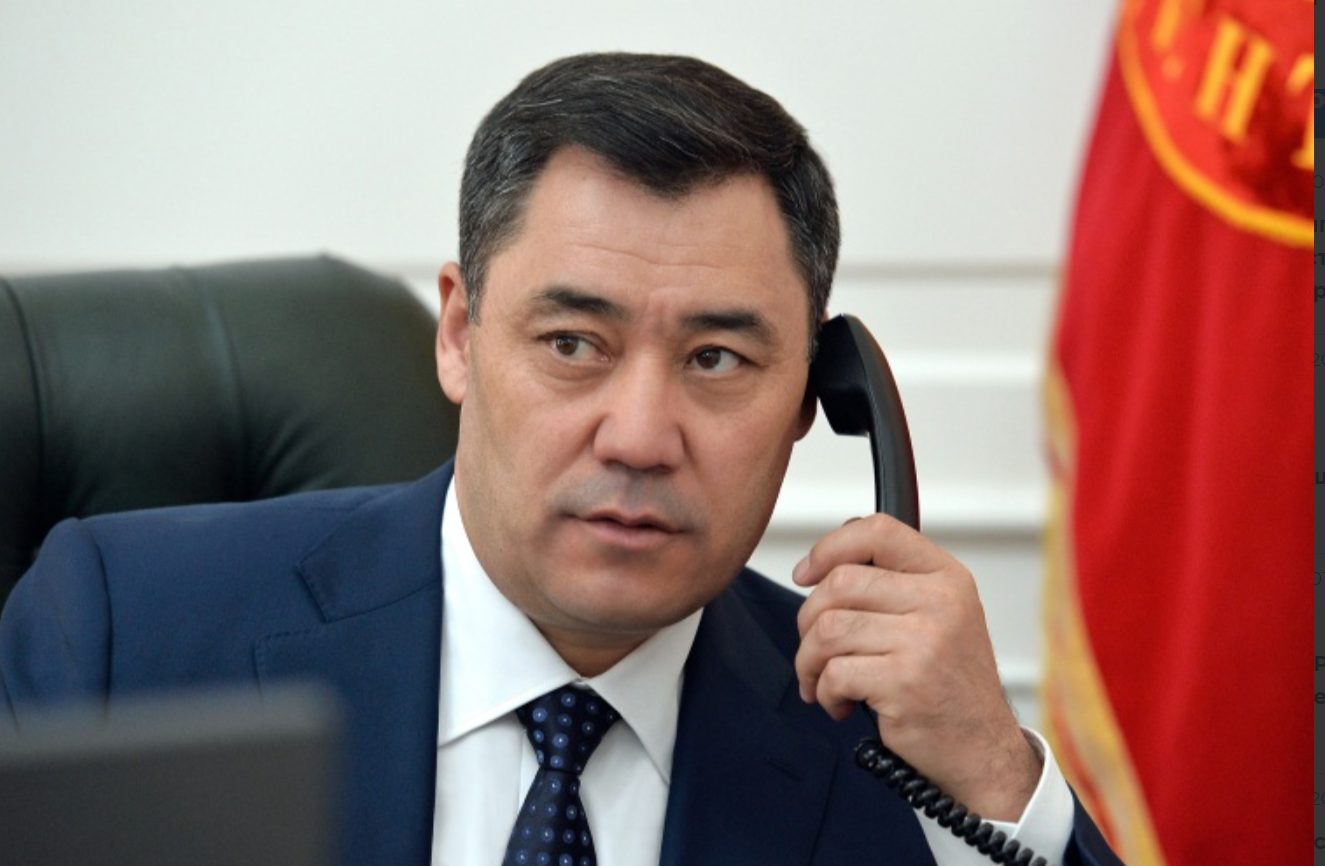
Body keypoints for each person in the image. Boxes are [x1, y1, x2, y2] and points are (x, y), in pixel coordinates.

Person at [0, 54, 1120, 865]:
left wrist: (995, 776)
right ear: (459, 334)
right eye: (573, 343)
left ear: (813, 400)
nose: (637, 436)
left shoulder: (881, 738)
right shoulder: (123, 632)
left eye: (717, 359)